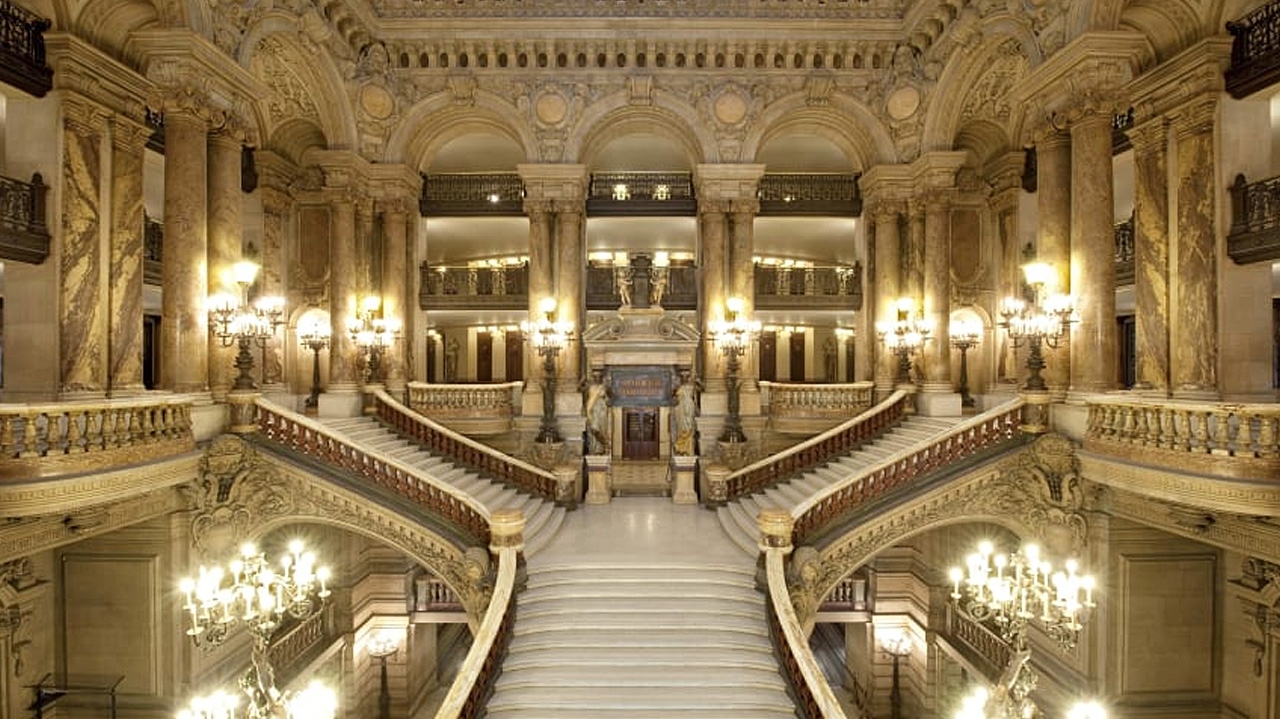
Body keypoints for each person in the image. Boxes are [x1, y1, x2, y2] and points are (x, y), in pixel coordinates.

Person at [672, 368, 700, 456]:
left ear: (688, 377)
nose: (684, 378)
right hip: (680, 411)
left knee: (689, 428)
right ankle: (681, 449)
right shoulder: (678, 387)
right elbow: (673, 398)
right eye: (682, 376)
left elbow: (700, 391)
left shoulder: (692, 387)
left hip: (689, 409)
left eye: (686, 376)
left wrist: (698, 382)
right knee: (681, 429)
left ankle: (688, 450)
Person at [584, 369, 610, 455]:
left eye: (598, 377)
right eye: (595, 377)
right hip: (592, 410)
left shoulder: (603, 387)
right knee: (593, 428)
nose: (597, 378)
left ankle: (601, 448)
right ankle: (594, 449)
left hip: (602, 411)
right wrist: (582, 381)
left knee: (601, 429)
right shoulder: (590, 387)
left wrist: (607, 397)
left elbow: (609, 398)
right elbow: (580, 390)